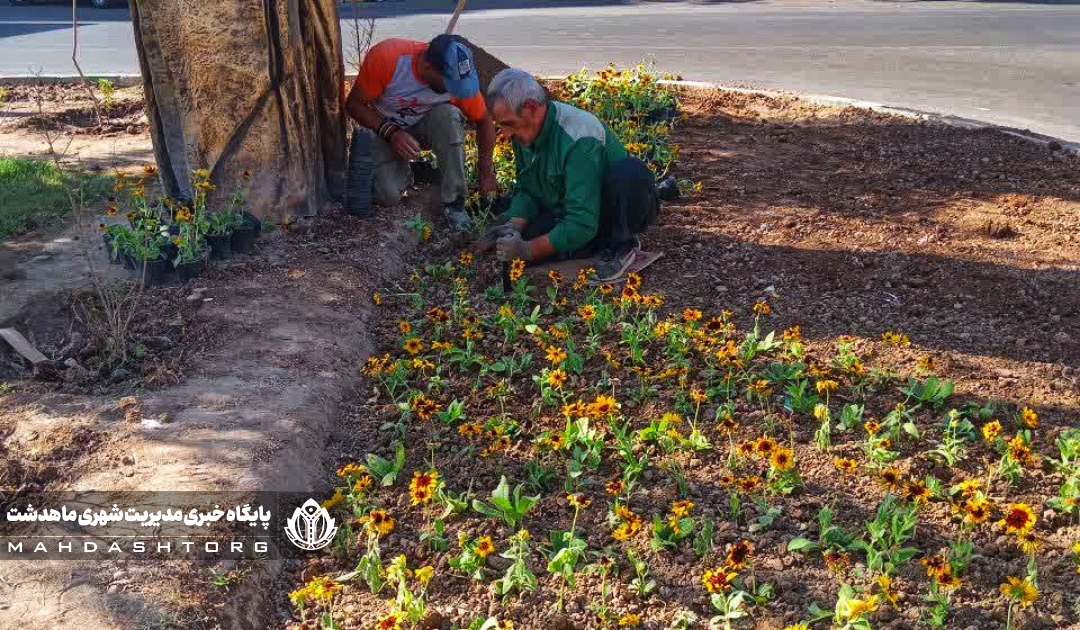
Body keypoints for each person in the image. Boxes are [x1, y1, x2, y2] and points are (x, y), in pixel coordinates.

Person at [476, 68, 659, 282]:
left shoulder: (579, 137)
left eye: (508, 124)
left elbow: (582, 221)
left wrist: (528, 250)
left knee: (630, 173)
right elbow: (528, 189)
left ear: (531, 108)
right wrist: (513, 224)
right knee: (521, 242)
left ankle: (621, 244)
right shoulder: (524, 133)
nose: (505, 135)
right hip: (571, 209)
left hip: (611, 208)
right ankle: (587, 245)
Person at [345, 34, 498, 229]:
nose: (456, 90)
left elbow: (484, 121)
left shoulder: (458, 77)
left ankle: (455, 204)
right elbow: (354, 105)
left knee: (449, 115)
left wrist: (485, 171)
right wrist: (391, 132)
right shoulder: (388, 58)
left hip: (428, 127)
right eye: (449, 85)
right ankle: (414, 172)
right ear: (427, 68)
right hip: (384, 130)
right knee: (387, 195)